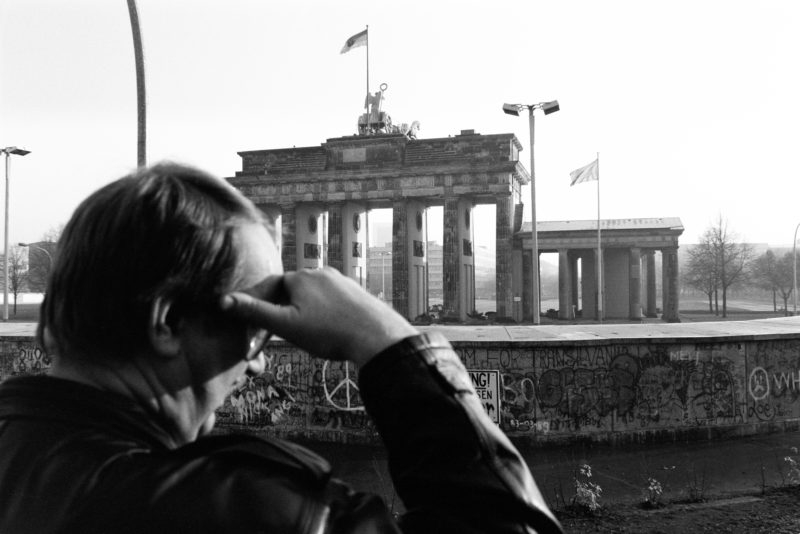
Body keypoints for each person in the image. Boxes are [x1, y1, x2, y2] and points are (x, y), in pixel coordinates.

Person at [0, 163, 563, 533]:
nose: (262, 358)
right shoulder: (249, 512)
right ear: (168, 321)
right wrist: (387, 339)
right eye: (255, 322)